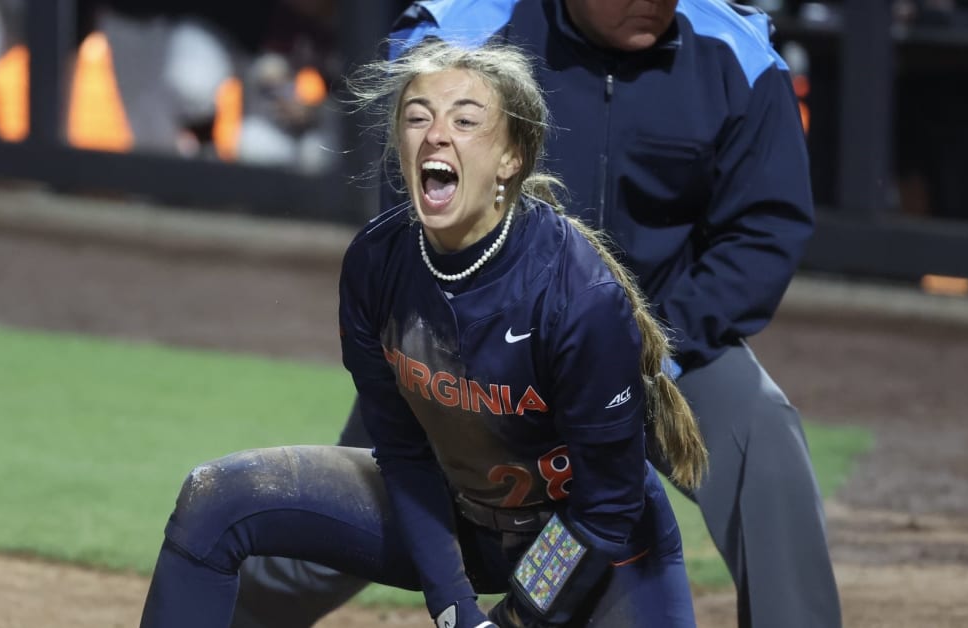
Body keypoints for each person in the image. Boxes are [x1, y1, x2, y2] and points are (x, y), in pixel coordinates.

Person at [233, 2, 842, 628]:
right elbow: (420, 212)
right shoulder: (460, 31)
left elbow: (764, 231)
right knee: (356, 519)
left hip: (666, 345)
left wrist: (648, 344)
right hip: (469, 345)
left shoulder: (734, 50)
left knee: (765, 444)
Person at [140, 38, 709, 628]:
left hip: (586, 544)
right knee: (218, 499)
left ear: (511, 157)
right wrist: (455, 609)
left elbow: (606, 507)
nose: (436, 134)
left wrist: (515, 620)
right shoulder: (376, 264)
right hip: (454, 511)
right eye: (418, 117)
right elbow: (404, 453)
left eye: (465, 120)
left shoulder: (578, 297)